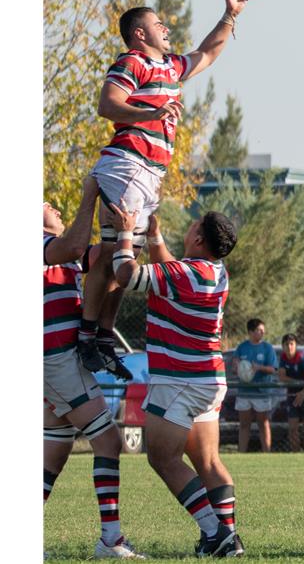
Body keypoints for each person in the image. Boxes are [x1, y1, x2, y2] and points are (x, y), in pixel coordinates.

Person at [78, 0, 256, 379]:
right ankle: (88, 338)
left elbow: (209, 51)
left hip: (149, 171)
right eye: (159, 24)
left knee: (125, 255)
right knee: (112, 255)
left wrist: (230, 15)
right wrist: (152, 112)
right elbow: (108, 105)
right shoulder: (132, 62)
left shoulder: (171, 67)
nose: (167, 28)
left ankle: (102, 336)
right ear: (140, 33)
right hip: (127, 164)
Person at [108, 204, 244, 556]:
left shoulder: (186, 273)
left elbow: (127, 275)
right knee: (209, 462)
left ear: (198, 237)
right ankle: (229, 539)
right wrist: (154, 237)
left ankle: (216, 534)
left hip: (180, 378)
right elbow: (170, 269)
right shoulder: (215, 270)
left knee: (162, 459)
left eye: (193, 225)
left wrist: (125, 232)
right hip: (209, 378)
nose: (189, 228)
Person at [43, 177, 144, 559]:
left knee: (53, 454)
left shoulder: (57, 251)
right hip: (55, 360)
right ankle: (111, 540)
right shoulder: (42, 245)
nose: (53, 205)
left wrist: (126, 232)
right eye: (45, 203)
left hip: (59, 360)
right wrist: (88, 195)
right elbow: (72, 244)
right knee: (109, 441)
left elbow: (103, 261)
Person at [232, 318, 278, 454]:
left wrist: (259, 368)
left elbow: (273, 369)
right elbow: (235, 363)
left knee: (263, 423)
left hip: (261, 392)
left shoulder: (267, 348)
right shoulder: (242, 347)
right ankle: (241, 453)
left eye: (263, 330)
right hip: (244, 392)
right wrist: (237, 367)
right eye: (259, 330)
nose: (262, 333)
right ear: (251, 332)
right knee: (244, 424)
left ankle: (266, 453)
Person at [277, 334, 304, 453]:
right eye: (286, 344)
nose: (289, 347)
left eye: (292, 344)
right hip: (293, 396)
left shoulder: (301, 357)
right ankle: (296, 454)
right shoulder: (284, 358)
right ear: (283, 346)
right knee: (292, 428)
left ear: (296, 345)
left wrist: (303, 392)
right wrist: (297, 383)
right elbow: (281, 376)